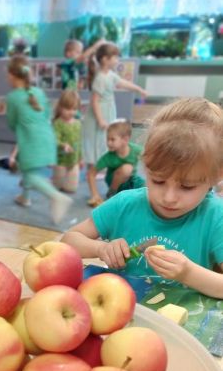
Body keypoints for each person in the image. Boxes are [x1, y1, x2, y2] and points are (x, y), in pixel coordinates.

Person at [61, 97, 223, 299]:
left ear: (216, 177)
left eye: (187, 186)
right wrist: (101, 248)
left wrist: (188, 273)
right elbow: (67, 242)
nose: (169, 198)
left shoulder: (216, 216)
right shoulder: (124, 204)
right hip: (121, 307)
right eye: (158, 181)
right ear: (146, 166)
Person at [6, 55, 72, 225]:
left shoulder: (13, 97)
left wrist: (21, 128)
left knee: (29, 173)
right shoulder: (39, 92)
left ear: (12, 76)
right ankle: (25, 197)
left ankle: (57, 197)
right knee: (29, 169)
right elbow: (47, 114)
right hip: (47, 138)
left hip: (30, 140)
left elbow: (11, 122)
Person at [82, 42, 147, 205]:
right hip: (98, 115)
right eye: (115, 57)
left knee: (109, 141)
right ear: (105, 59)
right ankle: (94, 170)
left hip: (107, 111)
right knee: (98, 144)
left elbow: (123, 83)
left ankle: (104, 169)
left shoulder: (110, 75)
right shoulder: (100, 77)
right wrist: (100, 120)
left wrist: (138, 89)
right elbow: (94, 101)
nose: (118, 60)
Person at [87, 118, 145, 207]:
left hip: (131, 180)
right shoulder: (108, 157)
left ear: (125, 140)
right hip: (115, 183)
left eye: (112, 139)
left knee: (147, 188)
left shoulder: (135, 150)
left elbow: (149, 156)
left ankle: (130, 195)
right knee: (127, 168)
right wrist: (95, 195)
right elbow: (91, 173)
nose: (108, 143)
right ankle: (112, 193)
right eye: (107, 139)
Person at [52, 89, 82, 193]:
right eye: (68, 108)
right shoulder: (57, 123)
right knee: (57, 186)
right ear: (60, 107)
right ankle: (53, 181)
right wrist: (63, 145)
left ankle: (61, 181)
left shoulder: (78, 123)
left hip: (73, 160)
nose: (71, 112)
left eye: (74, 109)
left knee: (71, 189)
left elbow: (80, 142)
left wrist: (81, 158)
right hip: (60, 160)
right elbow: (54, 139)